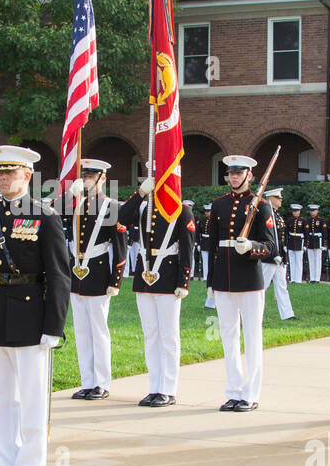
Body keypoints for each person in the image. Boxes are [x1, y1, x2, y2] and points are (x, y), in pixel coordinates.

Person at [0, 145, 69, 466]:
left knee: (31, 395)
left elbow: (59, 275)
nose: (4, 179)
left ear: (28, 175)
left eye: (10, 173)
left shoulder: (44, 215)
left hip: (30, 315)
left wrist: (54, 326)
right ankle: (5, 462)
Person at [205, 154, 280, 412]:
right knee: (228, 335)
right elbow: (212, 246)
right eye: (231, 173)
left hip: (249, 278)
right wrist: (211, 281)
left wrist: (251, 246)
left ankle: (250, 393)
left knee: (251, 335)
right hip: (224, 277)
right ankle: (234, 390)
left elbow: (271, 247)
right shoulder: (219, 205)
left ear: (250, 176)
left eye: (239, 173)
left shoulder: (261, 205)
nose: (234, 177)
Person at [118, 173, 193, 407]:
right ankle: (154, 387)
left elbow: (187, 247)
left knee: (168, 335)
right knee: (151, 335)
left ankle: (168, 388)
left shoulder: (182, 209)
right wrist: (140, 193)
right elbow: (120, 218)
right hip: (145, 275)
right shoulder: (142, 206)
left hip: (169, 276)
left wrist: (183, 281)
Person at [64, 160, 126, 401]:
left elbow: (119, 248)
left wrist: (115, 280)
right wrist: (68, 201)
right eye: (84, 175)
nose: (86, 179)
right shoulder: (76, 205)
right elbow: (58, 226)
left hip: (98, 274)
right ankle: (87, 381)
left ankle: (102, 382)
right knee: (81, 331)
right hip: (77, 274)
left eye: (91, 175)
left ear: (102, 179)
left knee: (99, 331)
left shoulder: (111, 206)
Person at [261, 188, 296, 321]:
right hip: (270, 257)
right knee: (261, 287)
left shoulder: (277, 215)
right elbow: (269, 236)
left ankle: (287, 314)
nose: (281, 199)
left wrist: (281, 254)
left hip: (279, 256)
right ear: (270, 199)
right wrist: (273, 253)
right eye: (278, 197)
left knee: (282, 286)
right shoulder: (268, 214)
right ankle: (256, 314)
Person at [305, 203, 326, 283]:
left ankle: (317, 278)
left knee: (317, 260)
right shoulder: (308, 220)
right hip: (310, 241)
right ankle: (312, 278)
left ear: (317, 211)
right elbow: (306, 232)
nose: (312, 212)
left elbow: (324, 233)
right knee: (311, 260)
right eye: (311, 211)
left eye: (314, 211)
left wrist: (324, 244)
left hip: (318, 241)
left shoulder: (321, 220)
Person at [286, 203, 306, 282]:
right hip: (291, 241)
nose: (295, 213)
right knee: (292, 261)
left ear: (299, 212)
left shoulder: (303, 221)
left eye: (296, 211)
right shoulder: (289, 220)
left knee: (298, 261)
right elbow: (286, 232)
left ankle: (298, 279)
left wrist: (305, 245)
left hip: (299, 241)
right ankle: (293, 278)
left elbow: (306, 233)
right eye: (293, 211)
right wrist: (285, 244)